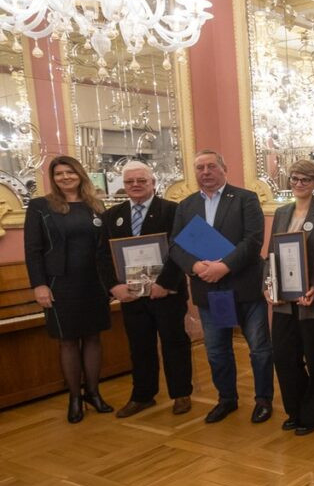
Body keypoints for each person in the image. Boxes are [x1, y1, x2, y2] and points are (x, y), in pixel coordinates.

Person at [169, 149, 273, 424]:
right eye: (200, 168)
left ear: (223, 169)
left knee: (259, 348)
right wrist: (195, 267)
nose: (206, 172)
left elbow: (252, 240)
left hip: (244, 287)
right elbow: (176, 246)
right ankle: (227, 399)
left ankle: (263, 399)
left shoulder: (245, 199)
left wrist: (223, 266)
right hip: (209, 290)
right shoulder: (186, 206)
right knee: (216, 351)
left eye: (211, 166)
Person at [98, 160, 193, 418]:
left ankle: (181, 393)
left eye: (141, 180)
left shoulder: (174, 211)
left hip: (167, 293)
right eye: (129, 182)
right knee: (140, 346)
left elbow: (182, 250)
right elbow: (103, 257)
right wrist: (114, 286)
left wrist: (165, 284)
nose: (135, 185)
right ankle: (142, 395)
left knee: (175, 343)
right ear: (123, 185)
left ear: (153, 183)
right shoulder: (111, 216)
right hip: (131, 296)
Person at [24, 156, 113, 423]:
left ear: (80, 174)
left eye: (70, 172)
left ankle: (93, 393)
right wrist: (39, 284)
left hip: (94, 282)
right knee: (68, 341)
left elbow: (107, 246)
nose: (65, 177)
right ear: (53, 178)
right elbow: (33, 249)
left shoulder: (95, 206)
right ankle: (75, 397)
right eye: (59, 173)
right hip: (59, 283)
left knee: (94, 338)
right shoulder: (41, 206)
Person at [265, 160, 314, 435]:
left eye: (305, 180)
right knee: (285, 357)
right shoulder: (282, 213)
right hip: (284, 302)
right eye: (294, 179)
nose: (298, 184)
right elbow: (270, 254)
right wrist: (268, 284)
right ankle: (295, 409)